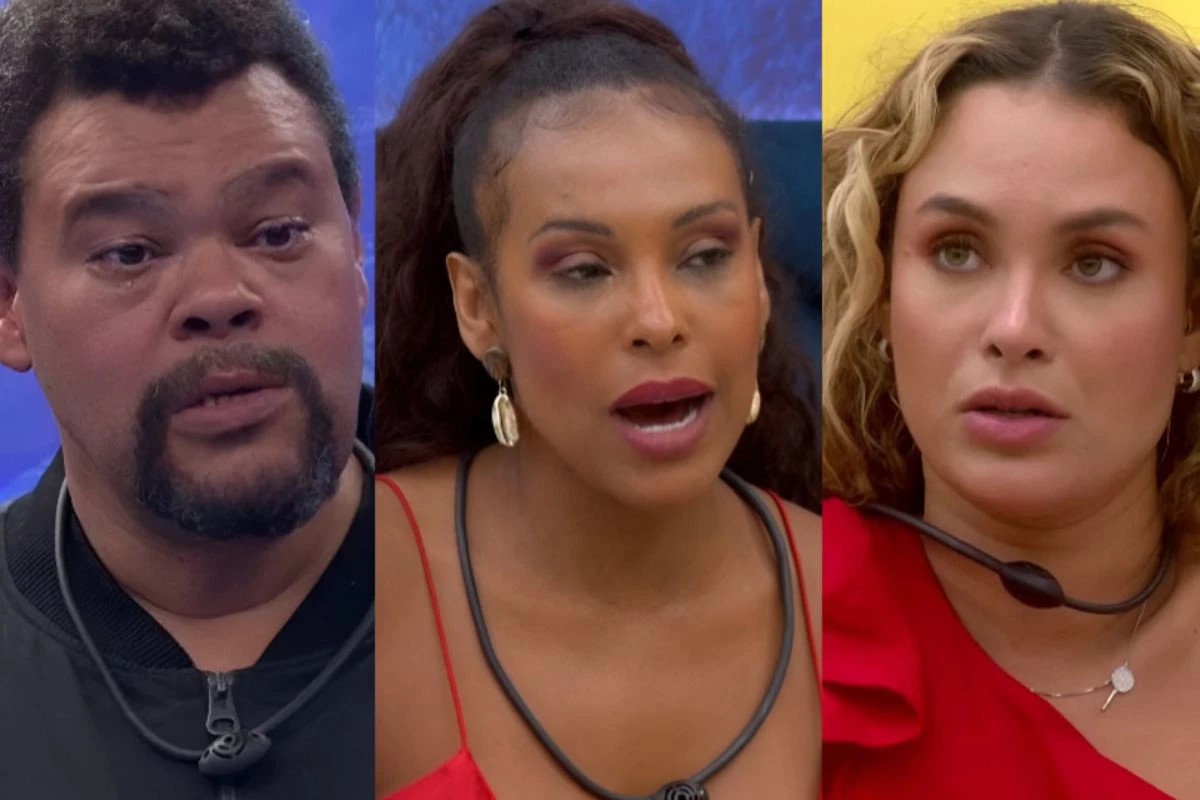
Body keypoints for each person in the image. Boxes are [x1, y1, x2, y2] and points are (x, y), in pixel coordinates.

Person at [374, 0, 821, 798]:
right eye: (584, 269)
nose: (658, 321)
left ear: (758, 274)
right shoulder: (359, 576)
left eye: (704, 255)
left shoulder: (858, 591)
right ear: (478, 306)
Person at [822, 2, 1200, 797]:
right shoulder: (772, 623)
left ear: (1191, 322)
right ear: (880, 294)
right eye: (957, 252)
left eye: (1094, 263)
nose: (1015, 329)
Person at [0, 0, 374, 797]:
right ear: (9, 306)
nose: (218, 296)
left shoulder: (537, 600)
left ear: (355, 246)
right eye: (129, 252)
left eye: (277, 232)